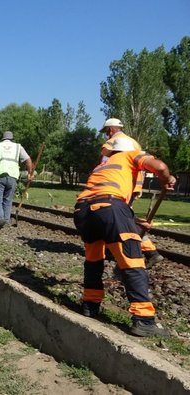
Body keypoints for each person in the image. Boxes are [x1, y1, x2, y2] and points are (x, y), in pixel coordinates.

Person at [73, 136, 175, 337]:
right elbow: (161, 167)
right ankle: (144, 320)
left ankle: (90, 305)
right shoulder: (131, 155)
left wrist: (135, 222)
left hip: (83, 211)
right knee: (133, 263)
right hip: (110, 208)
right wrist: (166, 180)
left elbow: (104, 200)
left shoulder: (102, 165)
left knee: (94, 260)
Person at [99, 118, 163, 267]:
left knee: (122, 220)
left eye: (106, 132)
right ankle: (111, 250)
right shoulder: (133, 142)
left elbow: (103, 161)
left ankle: (150, 252)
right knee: (121, 218)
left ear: (111, 129)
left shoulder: (116, 142)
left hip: (116, 187)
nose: (106, 135)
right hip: (131, 185)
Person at [0, 131, 34, 230]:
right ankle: (6, 220)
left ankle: (0, 218)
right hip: (13, 176)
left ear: (3, 138)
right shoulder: (18, 147)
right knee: (8, 199)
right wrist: (30, 173)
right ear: (12, 138)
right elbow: (28, 160)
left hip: (0, 175)